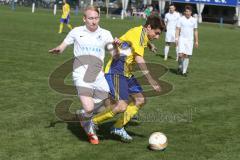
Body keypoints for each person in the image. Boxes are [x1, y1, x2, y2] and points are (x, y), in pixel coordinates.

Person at [90, 16, 166, 142]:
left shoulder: (141, 33)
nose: (157, 37)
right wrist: (151, 80)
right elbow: (139, 59)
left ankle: (118, 127)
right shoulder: (139, 34)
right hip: (116, 72)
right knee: (121, 106)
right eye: (156, 33)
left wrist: (150, 45)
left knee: (140, 100)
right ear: (148, 27)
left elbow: (138, 42)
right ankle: (92, 122)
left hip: (126, 73)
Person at [49, 6, 116, 144]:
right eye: (90, 18)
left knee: (110, 104)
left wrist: (119, 46)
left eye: (96, 18)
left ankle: (83, 116)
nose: (94, 21)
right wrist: (59, 49)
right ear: (84, 19)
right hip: (81, 75)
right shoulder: (76, 31)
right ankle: (89, 127)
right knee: (89, 107)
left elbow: (115, 53)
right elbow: (63, 45)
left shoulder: (106, 33)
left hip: (98, 75)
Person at [175, 5, 199, 76]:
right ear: (184, 12)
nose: (187, 13)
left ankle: (184, 72)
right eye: (186, 11)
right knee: (180, 55)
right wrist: (176, 38)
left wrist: (196, 41)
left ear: (191, 12)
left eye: (188, 11)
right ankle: (180, 67)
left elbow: (195, 31)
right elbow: (177, 29)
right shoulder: (180, 19)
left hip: (190, 40)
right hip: (182, 39)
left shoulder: (194, 20)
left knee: (187, 55)